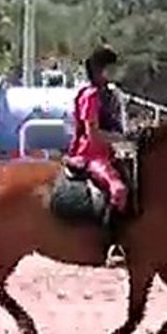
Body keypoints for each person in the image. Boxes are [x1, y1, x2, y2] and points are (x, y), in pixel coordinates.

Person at [66, 44, 129, 216]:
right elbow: (92, 134)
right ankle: (111, 238)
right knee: (119, 190)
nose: (115, 73)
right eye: (111, 69)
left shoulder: (107, 94)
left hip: (106, 153)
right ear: (99, 70)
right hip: (90, 154)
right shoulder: (91, 96)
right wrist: (120, 138)